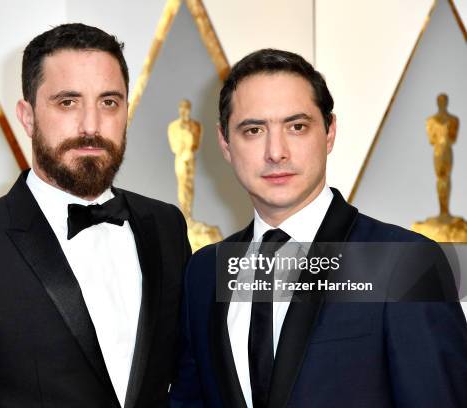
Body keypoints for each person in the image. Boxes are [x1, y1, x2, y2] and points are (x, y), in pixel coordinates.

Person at [0, 23, 191, 407]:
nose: (91, 126)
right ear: (27, 117)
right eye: (67, 102)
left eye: (109, 102)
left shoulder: (167, 226)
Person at [169, 49, 467, 408]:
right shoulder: (204, 272)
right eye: (253, 130)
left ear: (329, 133)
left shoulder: (406, 263)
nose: (276, 151)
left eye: (297, 127)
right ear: (225, 143)